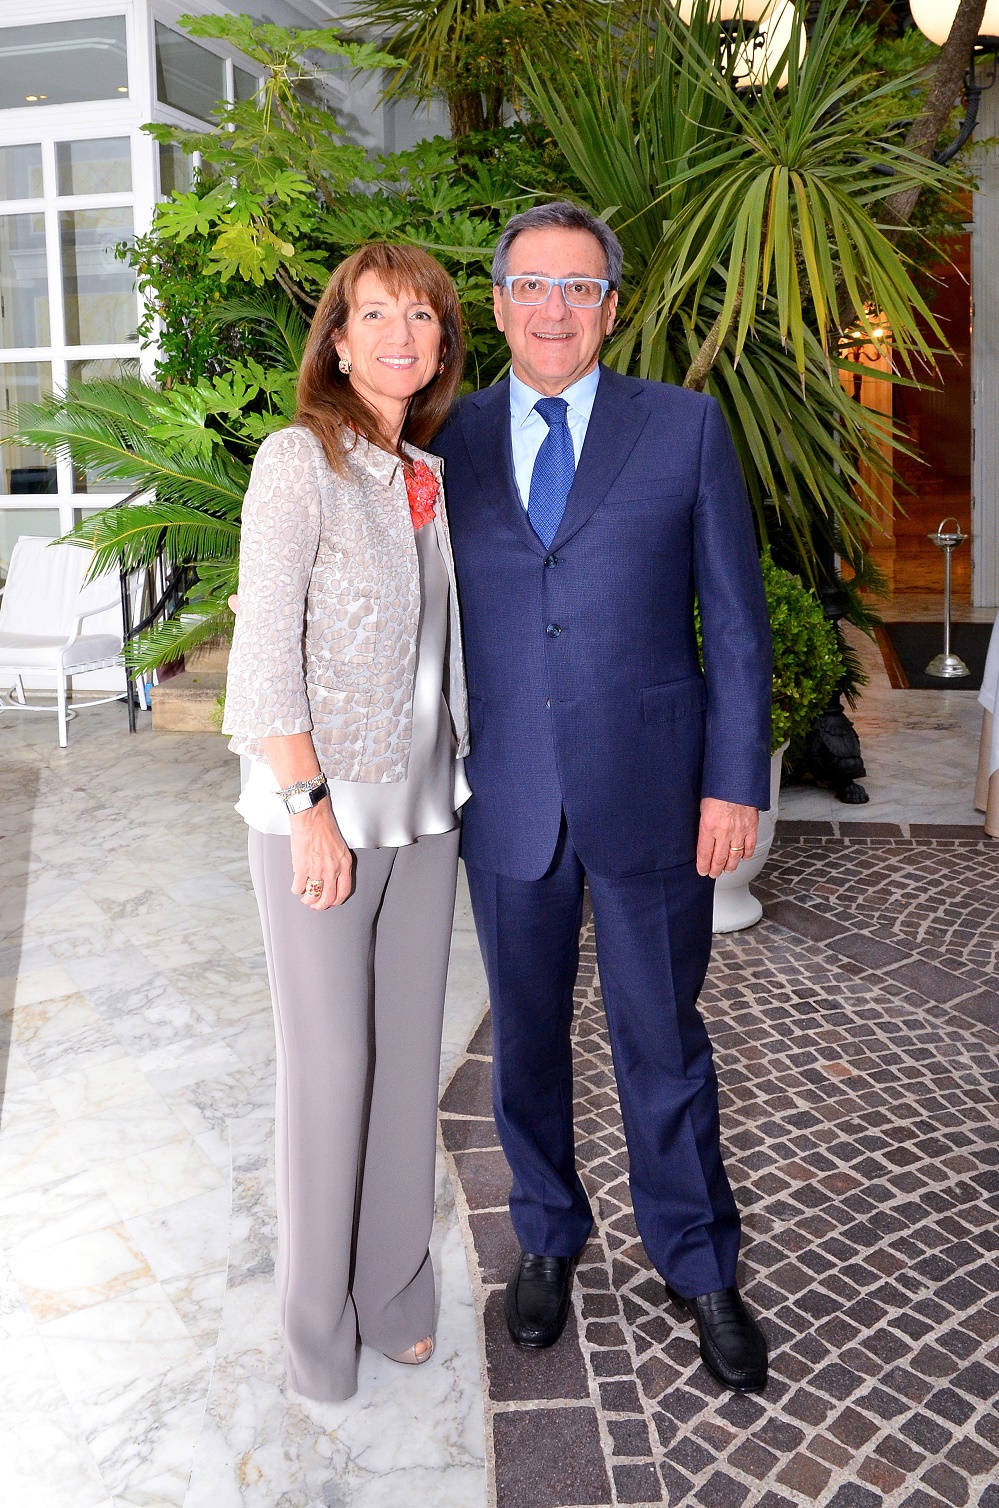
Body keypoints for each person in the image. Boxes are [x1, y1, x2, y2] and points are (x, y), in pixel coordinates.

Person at [432, 202, 773, 1392]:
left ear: (612, 308)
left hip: (654, 794)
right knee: (524, 1042)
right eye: (532, 284)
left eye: (579, 287)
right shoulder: (446, 440)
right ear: (498, 303)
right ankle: (546, 1234)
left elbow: (737, 622)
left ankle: (699, 1259)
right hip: (509, 797)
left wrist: (733, 779)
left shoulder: (684, 427)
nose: (555, 308)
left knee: (662, 1040)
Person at [221, 243, 469, 1403]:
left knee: (406, 1059)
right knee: (333, 1066)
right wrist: (307, 807)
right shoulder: (299, 460)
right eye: (376, 314)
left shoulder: (428, 472)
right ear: (336, 339)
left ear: (442, 343)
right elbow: (265, 649)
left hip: (426, 811)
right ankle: (317, 1324)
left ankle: (394, 1288)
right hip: (321, 812)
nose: (399, 335)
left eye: (420, 316)